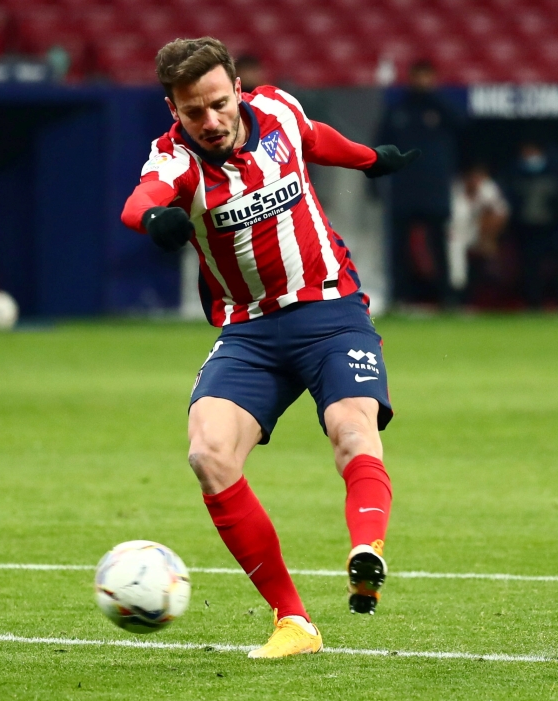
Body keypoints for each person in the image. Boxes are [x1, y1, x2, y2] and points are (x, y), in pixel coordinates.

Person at [121, 37, 419, 659]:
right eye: (193, 111)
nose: (210, 121)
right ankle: (293, 621)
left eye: (219, 104)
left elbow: (314, 137)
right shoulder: (174, 160)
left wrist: (368, 159)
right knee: (208, 453)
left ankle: (366, 550)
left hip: (331, 311)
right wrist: (153, 219)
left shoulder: (278, 109)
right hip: (250, 333)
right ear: (173, 110)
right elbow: (141, 198)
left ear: (238, 88)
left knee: (352, 430)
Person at [377, 59, 465, 307]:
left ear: (434, 78)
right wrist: (375, 180)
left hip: (435, 189)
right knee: (399, 247)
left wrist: (435, 98)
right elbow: (381, 145)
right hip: (403, 188)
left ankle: (446, 297)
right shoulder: (398, 109)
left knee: (439, 245)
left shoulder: (443, 108)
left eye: (426, 76)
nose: (422, 81)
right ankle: (399, 297)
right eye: (418, 76)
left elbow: (464, 127)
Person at [502, 138, 558, 308]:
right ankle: (533, 305)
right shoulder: (515, 171)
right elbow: (509, 199)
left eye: (530, 152)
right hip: (528, 230)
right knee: (531, 270)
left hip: (556, 229)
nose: (528, 157)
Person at [447, 163, 509, 296]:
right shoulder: (454, 189)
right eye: (474, 178)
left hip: (478, 232)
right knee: (454, 246)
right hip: (454, 231)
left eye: (480, 178)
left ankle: (474, 292)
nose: (477, 182)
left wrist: (489, 238)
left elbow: (501, 215)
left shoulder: (488, 188)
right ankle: (457, 291)